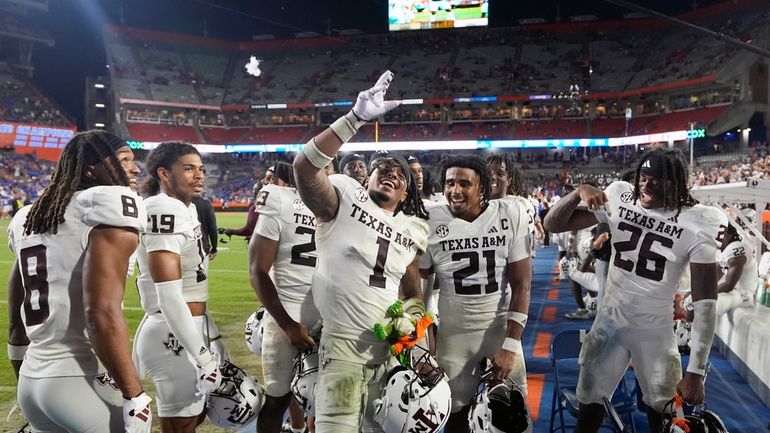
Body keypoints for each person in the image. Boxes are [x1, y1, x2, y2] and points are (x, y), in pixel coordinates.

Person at [543, 148, 727, 433]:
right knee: (589, 409)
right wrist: (578, 192)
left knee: (664, 414)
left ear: (678, 184)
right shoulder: (619, 195)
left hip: (655, 330)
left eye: (658, 180)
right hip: (609, 323)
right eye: (644, 177)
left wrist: (696, 371)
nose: (647, 184)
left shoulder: (699, 220)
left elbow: (706, 301)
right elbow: (552, 223)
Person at [292, 70, 430, 432]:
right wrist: (354, 119)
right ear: (366, 177)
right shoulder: (343, 197)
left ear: (406, 194)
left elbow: (413, 292)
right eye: (382, 169)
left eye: (400, 176)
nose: (391, 175)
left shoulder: (410, 230)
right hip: (342, 351)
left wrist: (412, 324)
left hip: (389, 354)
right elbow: (304, 168)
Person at [7, 130, 152, 432]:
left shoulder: (29, 217)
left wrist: (21, 367)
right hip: (77, 374)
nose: (135, 168)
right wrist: (134, 396)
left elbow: (16, 309)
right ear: (92, 168)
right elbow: (101, 313)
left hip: (34, 376)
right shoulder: (108, 203)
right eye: (124, 160)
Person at [420, 155, 532, 432]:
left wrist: (510, 345)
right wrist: (424, 341)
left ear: (482, 188)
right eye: (449, 183)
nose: (455, 191)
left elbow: (522, 285)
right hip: (453, 336)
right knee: (453, 413)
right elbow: (419, 285)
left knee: (511, 415)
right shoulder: (430, 218)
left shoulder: (510, 212)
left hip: (498, 331)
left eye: (464, 183)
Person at [133, 142, 223, 433]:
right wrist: (202, 356)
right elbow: (169, 296)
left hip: (187, 325)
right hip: (172, 330)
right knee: (180, 424)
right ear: (164, 173)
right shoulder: (162, 208)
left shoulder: (187, 208)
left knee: (193, 417)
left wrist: (211, 334)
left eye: (201, 169)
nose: (199, 176)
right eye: (188, 168)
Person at [248, 161, 321, 433]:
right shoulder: (279, 199)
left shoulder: (340, 207)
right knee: (278, 399)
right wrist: (287, 324)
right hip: (286, 318)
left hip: (331, 319)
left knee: (329, 403)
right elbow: (257, 270)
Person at [192, 196, 218, 261]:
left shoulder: (179, 203)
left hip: (182, 247)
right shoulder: (206, 204)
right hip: (202, 246)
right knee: (201, 270)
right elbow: (212, 228)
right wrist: (214, 248)